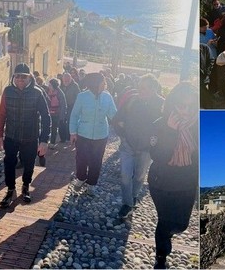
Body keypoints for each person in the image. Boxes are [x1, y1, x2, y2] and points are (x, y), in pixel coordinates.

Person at [147, 82, 198, 269]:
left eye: (190, 106)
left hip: (187, 182)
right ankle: (161, 256)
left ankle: (167, 234)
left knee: (181, 225)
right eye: (181, 105)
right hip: (162, 182)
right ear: (172, 104)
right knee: (165, 220)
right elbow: (159, 156)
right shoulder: (160, 124)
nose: (185, 111)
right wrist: (170, 131)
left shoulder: (198, 125)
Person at [0, 63, 51, 207]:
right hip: (11, 136)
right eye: (17, 76)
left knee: (28, 164)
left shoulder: (37, 93)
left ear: (29, 77)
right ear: (14, 77)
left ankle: (26, 186)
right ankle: (10, 189)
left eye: (24, 76)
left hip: (30, 137)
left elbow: (46, 117)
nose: (20, 79)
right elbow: (2, 115)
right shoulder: (7, 91)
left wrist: (44, 140)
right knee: (9, 163)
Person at [112, 73, 165, 219]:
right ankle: (127, 204)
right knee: (125, 175)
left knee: (140, 176)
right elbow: (117, 119)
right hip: (128, 146)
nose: (140, 91)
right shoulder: (132, 100)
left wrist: (155, 142)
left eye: (144, 88)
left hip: (147, 149)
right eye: (139, 87)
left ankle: (133, 197)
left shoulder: (162, 105)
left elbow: (165, 128)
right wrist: (123, 135)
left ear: (154, 89)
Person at [69, 73, 117, 195]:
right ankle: (81, 177)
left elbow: (114, 115)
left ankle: (91, 183)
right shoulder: (82, 96)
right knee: (81, 159)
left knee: (96, 160)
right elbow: (74, 115)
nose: (105, 85)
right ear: (95, 84)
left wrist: (123, 122)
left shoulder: (107, 97)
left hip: (101, 135)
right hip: (83, 134)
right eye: (103, 82)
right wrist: (73, 132)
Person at [59, 72, 81, 143]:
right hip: (62, 106)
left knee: (69, 121)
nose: (66, 82)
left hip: (71, 105)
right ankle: (62, 138)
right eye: (64, 80)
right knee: (61, 121)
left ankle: (68, 137)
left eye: (67, 80)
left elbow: (78, 96)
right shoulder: (60, 85)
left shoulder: (75, 86)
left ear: (70, 79)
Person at [47, 78, 67, 149]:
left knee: (54, 128)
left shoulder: (59, 93)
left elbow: (63, 104)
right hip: (48, 113)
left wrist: (62, 116)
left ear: (53, 85)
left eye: (50, 85)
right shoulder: (47, 91)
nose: (48, 86)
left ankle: (52, 142)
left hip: (56, 113)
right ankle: (45, 141)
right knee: (47, 127)